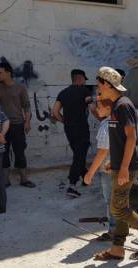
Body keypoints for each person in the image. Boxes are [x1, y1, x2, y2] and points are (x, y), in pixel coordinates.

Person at [91, 67, 138, 260]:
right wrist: (113, 161)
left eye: (99, 85)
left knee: (118, 208)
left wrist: (122, 168)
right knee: (119, 206)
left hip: (127, 167)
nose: (98, 89)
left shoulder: (123, 105)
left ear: (106, 84)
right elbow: (119, 139)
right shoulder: (114, 106)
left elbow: (131, 138)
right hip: (119, 165)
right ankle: (117, 248)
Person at [0, 62, 35, 188]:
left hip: (17, 125)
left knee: (20, 152)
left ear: (8, 73)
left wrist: (27, 122)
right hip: (1, 127)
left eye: (0, 73)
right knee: (3, 153)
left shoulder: (20, 88)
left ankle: (24, 179)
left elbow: (26, 106)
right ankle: (5, 180)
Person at [53, 69, 92, 198]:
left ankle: (85, 176)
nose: (84, 82)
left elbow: (55, 112)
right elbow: (91, 107)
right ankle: (72, 185)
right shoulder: (84, 91)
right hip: (81, 128)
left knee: (78, 153)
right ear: (80, 78)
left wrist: (65, 121)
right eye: (84, 79)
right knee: (79, 155)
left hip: (69, 128)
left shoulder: (62, 93)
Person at [83, 98, 115, 241]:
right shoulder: (117, 121)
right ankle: (119, 229)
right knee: (118, 201)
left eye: (99, 106)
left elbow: (102, 152)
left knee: (111, 201)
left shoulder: (106, 125)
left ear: (108, 108)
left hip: (108, 169)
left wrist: (90, 173)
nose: (96, 109)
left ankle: (114, 231)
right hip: (116, 166)